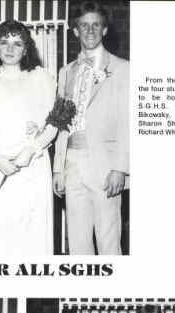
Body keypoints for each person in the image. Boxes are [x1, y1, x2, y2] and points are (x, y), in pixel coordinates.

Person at [0, 20, 57, 256]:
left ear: (26, 49)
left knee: (30, 234)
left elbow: (53, 123)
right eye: (4, 42)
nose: (10, 49)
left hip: (31, 166)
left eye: (17, 43)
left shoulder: (41, 78)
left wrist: (31, 150)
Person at [53, 1, 129, 255]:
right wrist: (58, 169)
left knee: (108, 239)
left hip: (104, 164)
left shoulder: (121, 69)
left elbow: (128, 121)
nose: (89, 31)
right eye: (84, 26)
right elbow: (61, 122)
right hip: (72, 163)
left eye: (96, 25)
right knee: (77, 241)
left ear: (104, 30)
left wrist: (120, 168)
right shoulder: (66, 72)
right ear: (75, 31)